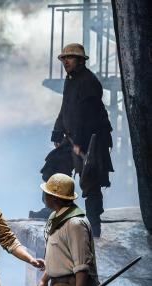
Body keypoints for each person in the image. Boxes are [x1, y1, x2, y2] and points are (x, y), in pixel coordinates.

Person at [49, 43, 114, 237]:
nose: (65, 62)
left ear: (80, 60)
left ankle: (94, 225)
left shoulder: (89, 82)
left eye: (69, 58)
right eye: (64, 58)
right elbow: (66, 108)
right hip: (73, 136)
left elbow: (91, 117)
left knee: (90, 182)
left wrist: (80, 143)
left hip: (92, 139)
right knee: (55, 166)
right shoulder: (71, 80)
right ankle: (56, 212)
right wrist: (57, 131)